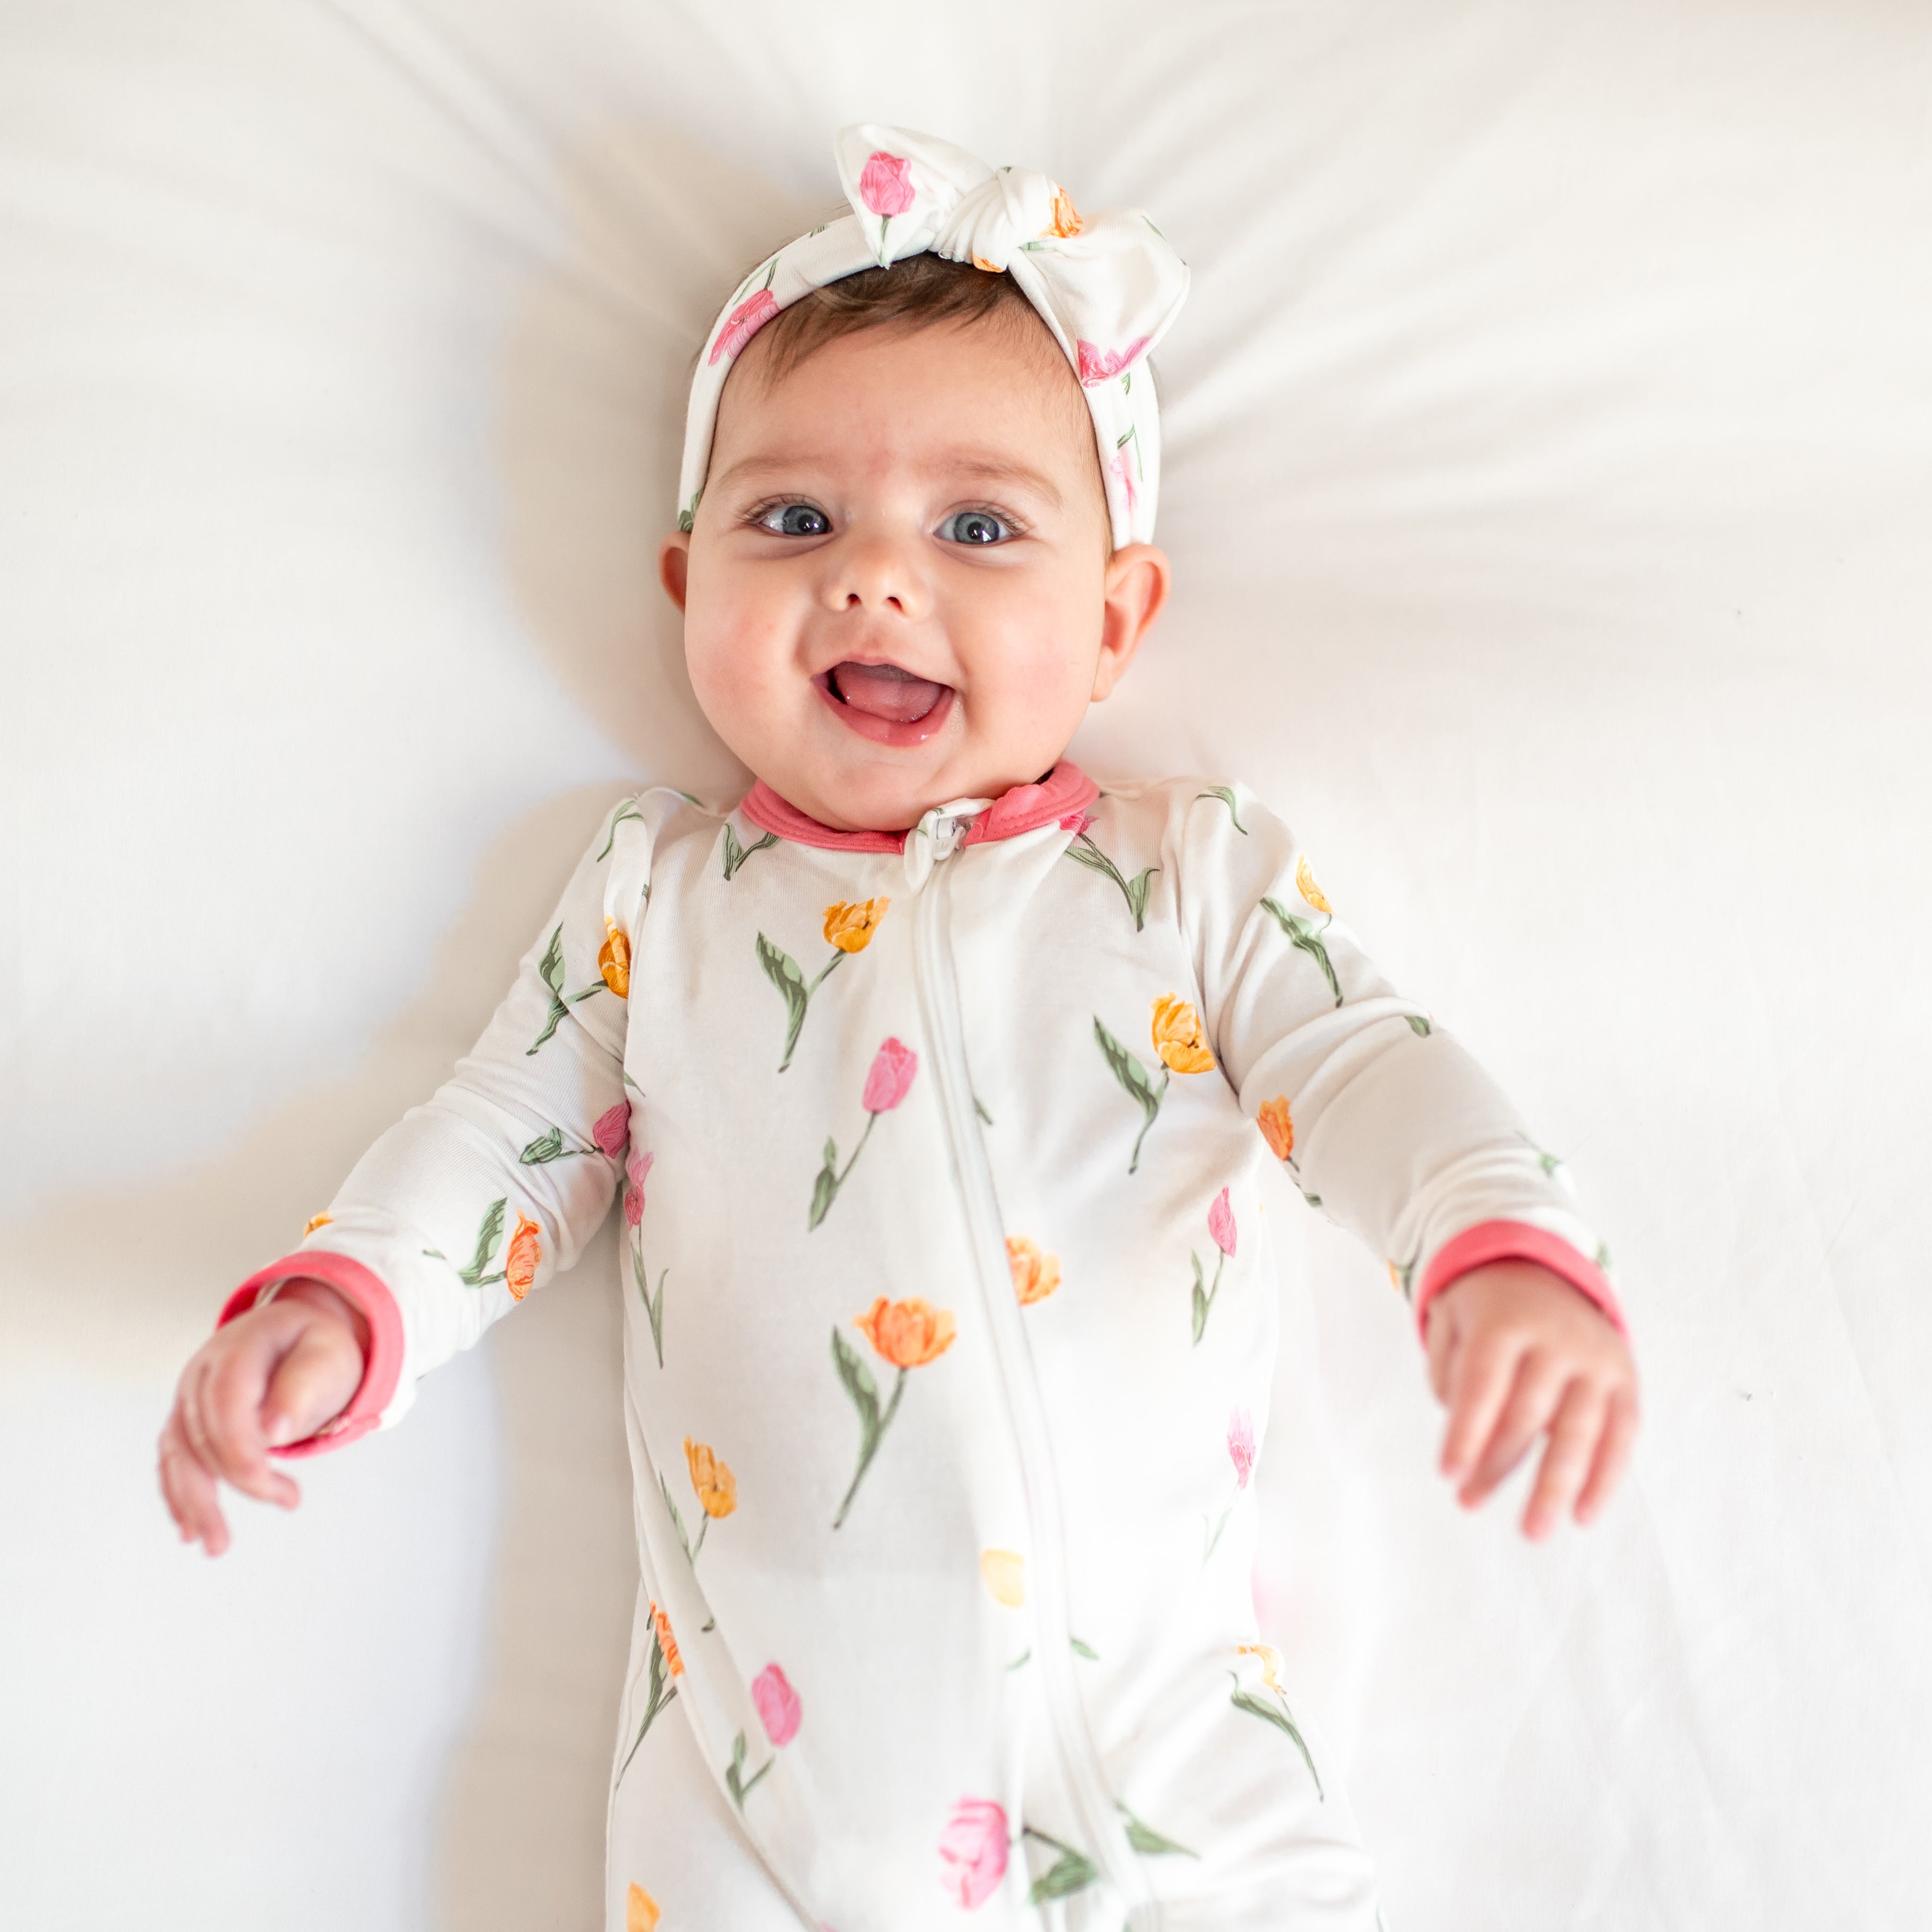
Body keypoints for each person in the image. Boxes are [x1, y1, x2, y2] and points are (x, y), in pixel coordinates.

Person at [156, 125, 1638, 1930]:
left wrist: (1492, 1233)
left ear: (1114, 619)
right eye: (793, 520)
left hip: (1170, 1767)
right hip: (761, 1799)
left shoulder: (1183, 872)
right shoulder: (653, 904)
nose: (872, 574)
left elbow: (1359, 1059)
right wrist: (346, 1297)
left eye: (978, 527)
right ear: (687, 586)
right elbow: (504, 1142)